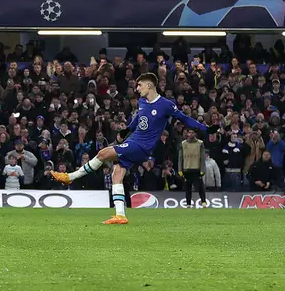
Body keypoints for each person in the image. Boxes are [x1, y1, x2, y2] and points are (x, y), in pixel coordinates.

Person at [48, 73, 207, 224]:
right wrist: (124, 132)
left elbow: (185, 118)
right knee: (117, 174)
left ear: (149, 85)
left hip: (141, 146)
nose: (137, 88)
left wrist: (206, 129)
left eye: (139, 85)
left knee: (103, 153)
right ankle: (120, 215)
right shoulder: (143, 102)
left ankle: (70, 177)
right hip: (134, 141)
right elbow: (137, 120)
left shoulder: (166, 105)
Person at [179, 129, 209, 208]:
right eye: (189, 132)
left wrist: (203, 169)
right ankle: (188, 203)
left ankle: (203, 202)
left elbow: (202, 158)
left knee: (200, 187)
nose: (191, 134)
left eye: (192, 132)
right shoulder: (183, 143)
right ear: (187, 133)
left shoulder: (200, 143)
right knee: (188, 187)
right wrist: (180, 169)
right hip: (187, 168)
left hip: (196, 168)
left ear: (195, 134)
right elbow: (180, 158)